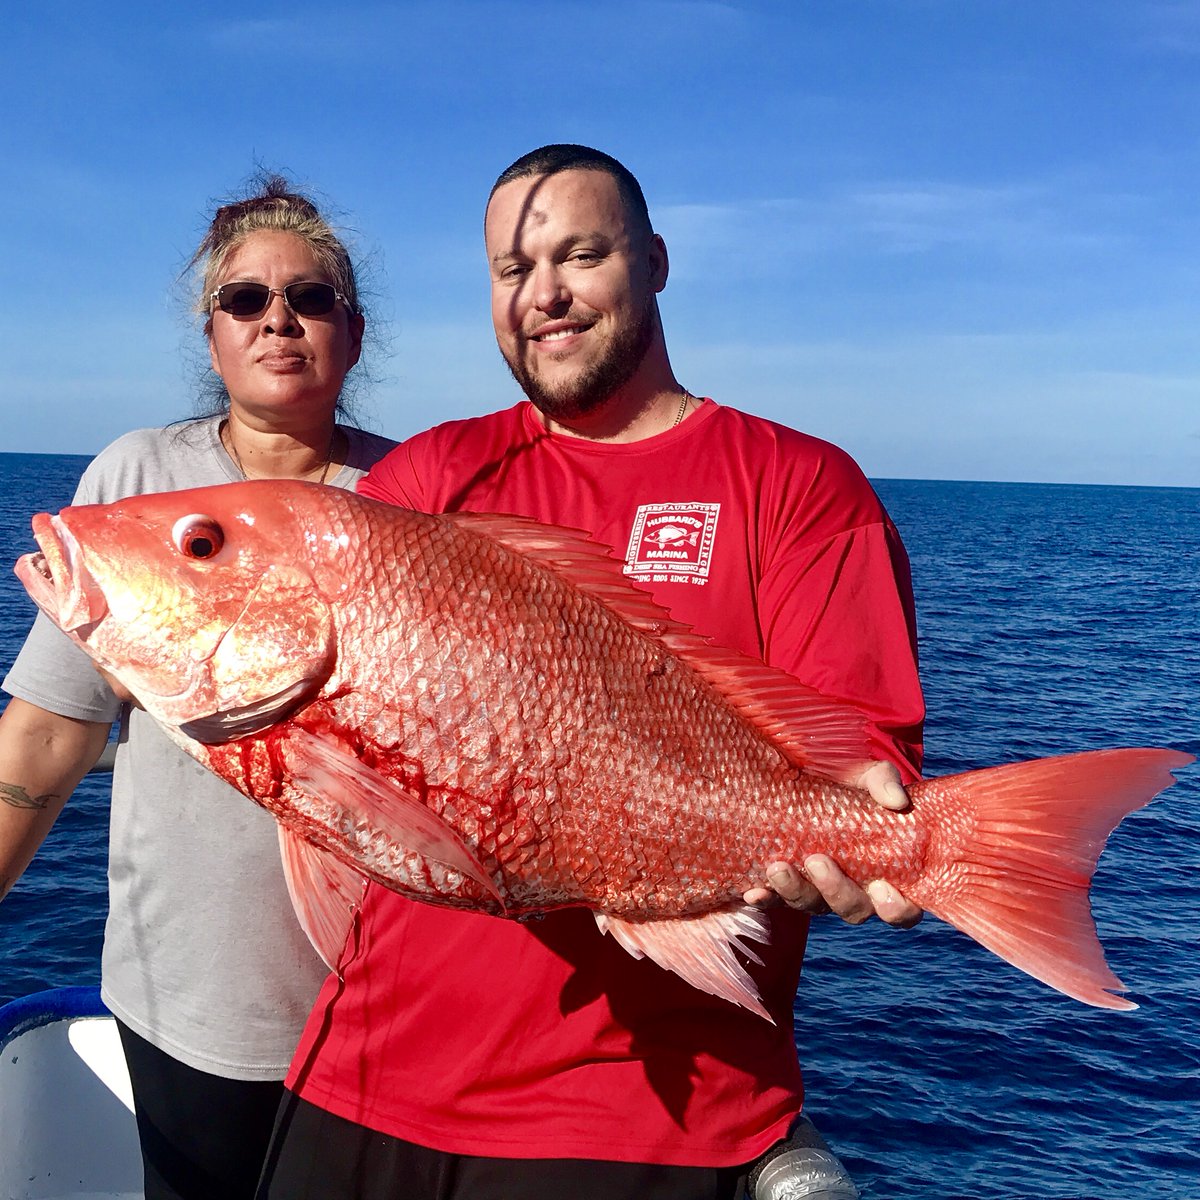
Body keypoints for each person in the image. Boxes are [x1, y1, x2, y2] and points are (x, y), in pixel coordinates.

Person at [257, 145, 926, 1200]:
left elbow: (862, 760)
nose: (547, 296)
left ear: (655, 261)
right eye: (514, 270)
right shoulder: (427, 475)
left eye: (584, 255)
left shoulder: (801, 488)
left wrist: (860, 836)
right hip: (362, 1083)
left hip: (649, 1123)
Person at [0, 176, 396, 1200]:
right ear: (210, 331)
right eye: (245, 300)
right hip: (188, 1004)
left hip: (392, 1015)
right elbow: (45, 737)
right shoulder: (135, 483)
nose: (279, 319)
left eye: (312, 298)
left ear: (353, 333)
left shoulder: (416, 496)